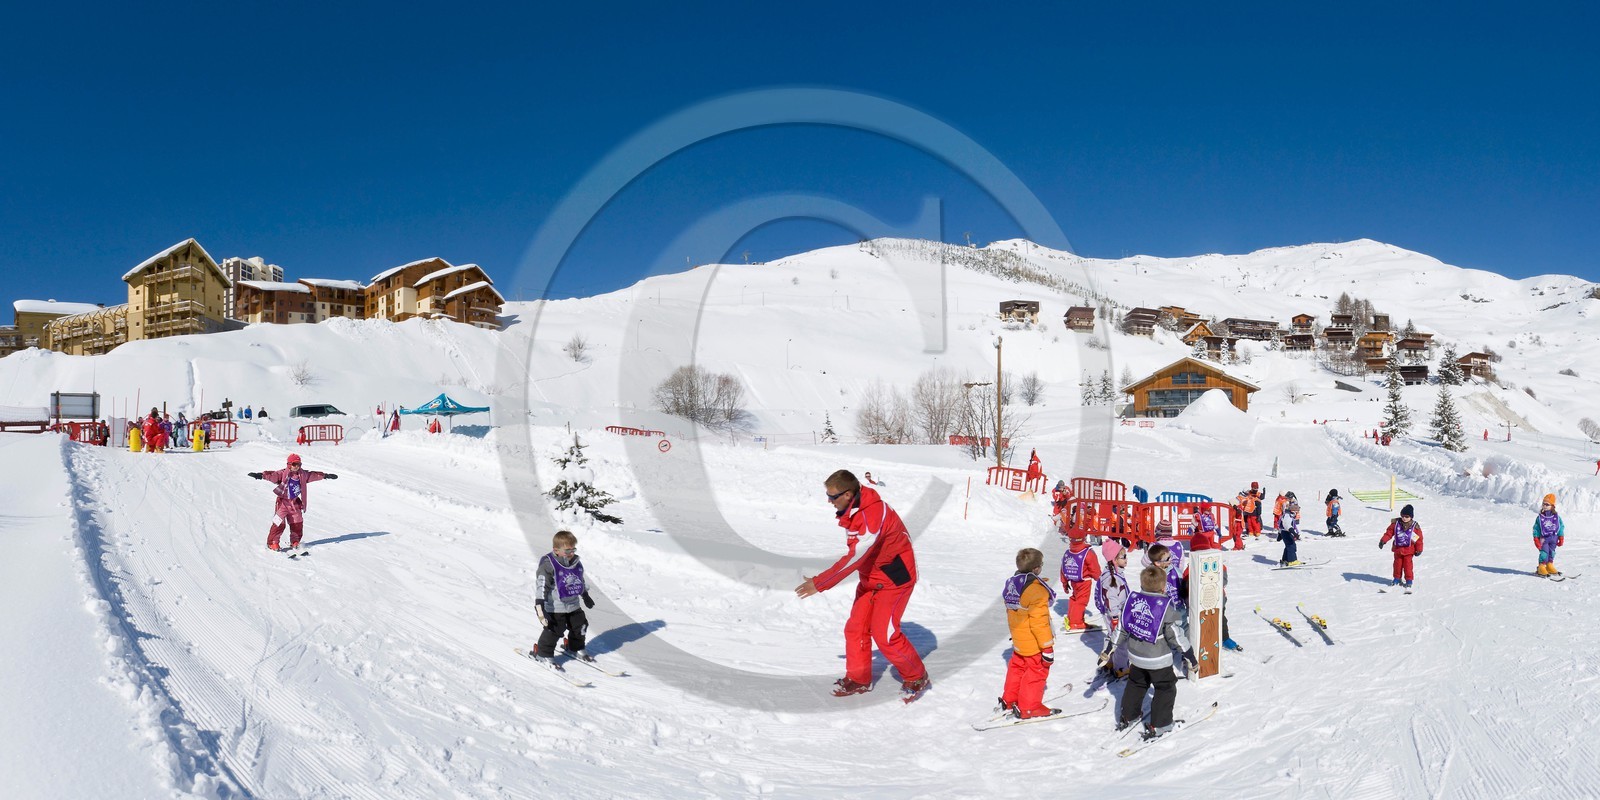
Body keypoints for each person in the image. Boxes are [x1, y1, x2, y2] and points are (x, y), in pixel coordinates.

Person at [796, 470, 929, 699]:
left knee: (885, 634)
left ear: (848, 494)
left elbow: (855, 557)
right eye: (828, 496)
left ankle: (917, 676)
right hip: (871, 578)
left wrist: (820, 583)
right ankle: (859, 678)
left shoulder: (872, 515)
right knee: (855, 628)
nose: (829, 501)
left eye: (832, 496)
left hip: (895, 579)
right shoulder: (855, 509)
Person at [1104, 565, 1196, 740]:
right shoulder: (1166, 608)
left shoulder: (1132, 602)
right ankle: (1161, 724)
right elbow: (1176, 635)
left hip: (1136, 657)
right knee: (1165, 687)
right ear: (1164, 587)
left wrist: (1110, 647)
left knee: (1136, 683)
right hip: (1158, 659)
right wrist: (1189, 654)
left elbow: (1121, 629)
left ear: (1142, 584)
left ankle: (1129, 715)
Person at [998, 548, 1059, 719]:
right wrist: (1047, 647)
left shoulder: (1012, 585)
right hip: (1033, 642)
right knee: (1036, 671)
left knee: (1017, 667)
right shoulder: (1036, 591)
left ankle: (1009, 699)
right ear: (1036, 569)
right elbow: (1039, 623)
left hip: (1019, 638)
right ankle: (1029, 707)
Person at [247, 453, 338, 552]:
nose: (297, 466)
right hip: (282, 503)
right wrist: (261, 475)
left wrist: (325, 476)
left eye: (299, 464)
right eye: (294, 464)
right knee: (279, 523)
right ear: (289, 464)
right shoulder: (282, 473)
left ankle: (295, 541)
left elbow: (313, 475)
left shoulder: (302, 474)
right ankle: (272, 542)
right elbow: (272, 475)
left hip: (294, 503)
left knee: (297, 522)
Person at [531, 530, 597, 663]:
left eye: (573, 549)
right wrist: (540, 605)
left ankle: (575, 647)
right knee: (554, 629)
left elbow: (579, 580)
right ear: (556, 550)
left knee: (581, 626)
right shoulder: (548, 565)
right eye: (567, 551)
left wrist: (585, 595)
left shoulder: (576, 563)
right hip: (555, 607)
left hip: (573, 604)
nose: (571, 553)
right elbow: (542, 585)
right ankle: (542, 654)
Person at [1094, 539, 1132, 679]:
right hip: (1115, 615)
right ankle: (1121, 667)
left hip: (1114, 614)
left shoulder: (1115, 574)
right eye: (1123, 557)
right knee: (1121, 642)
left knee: (1112, 637)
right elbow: (1111, 601)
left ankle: (1110, 660)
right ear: (1114, 560)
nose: (1126, 559)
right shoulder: (1111, 579)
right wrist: (1115, 618)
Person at [1060, 518, 1102, 633]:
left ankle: (1072, 617)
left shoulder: (1068, 553)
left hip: (1073, 580)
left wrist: (1064, 582)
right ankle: (1076, 623)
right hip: (1084, 581)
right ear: (1084, 537)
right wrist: (1100, 579)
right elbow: (1094, 568)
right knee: (1081, 601)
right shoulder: (1088, 552)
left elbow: (1063, 568)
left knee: (1074, 598)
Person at [1378, 504, 1424, 590]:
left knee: (1408, 566)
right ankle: (1397, 578)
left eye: (1407, 517)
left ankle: (1409, 580)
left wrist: (1419, 549)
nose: (1404, 518)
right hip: (1398, 550)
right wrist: (1383, 540)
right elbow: (1389, 533)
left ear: (1411, 517)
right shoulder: (1396, 524)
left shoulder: (1414, 527)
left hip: (1409, 551)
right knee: (1397, 565)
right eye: (1403, 516)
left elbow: (1419, 539)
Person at [1532, 494, 1565, 577]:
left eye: (1547, 504)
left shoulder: (1557, 517)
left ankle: (1549, 565)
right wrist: (1536, 538)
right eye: (1543, 504)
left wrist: (1561, 537)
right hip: (1544, 539)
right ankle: (1541, 566)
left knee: (1552, 553)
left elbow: (1561, 527)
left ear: (1552, 506)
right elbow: (1536, 528)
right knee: (1544, 553)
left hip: (1554, 538)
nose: (1545, 506)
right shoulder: (1540, 517)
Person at [1278, 492, 1302, 566]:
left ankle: (1285, 559)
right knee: (1291, 546)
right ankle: (1292, 560)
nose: (1296, 511)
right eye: (1295, 509)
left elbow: (1281, 525)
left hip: (1285, 532)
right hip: (1286, 532)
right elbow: (1286, 525)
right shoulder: (1287, 515)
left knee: (1288, 546)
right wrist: (1294, 533)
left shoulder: (1289, 515)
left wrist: (1279, 534)